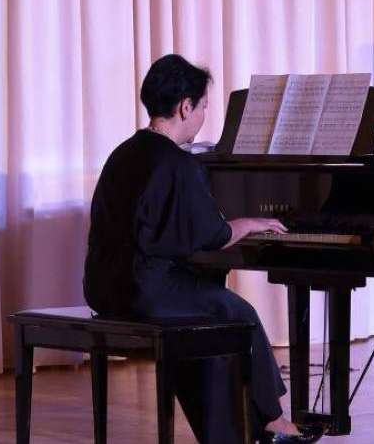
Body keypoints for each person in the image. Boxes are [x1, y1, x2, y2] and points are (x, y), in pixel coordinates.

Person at [83, 54, 321, 444]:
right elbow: (213, 235)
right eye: (204, 107)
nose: (204, 116)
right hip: (145, 292)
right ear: (185, 106)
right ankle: (275, 424)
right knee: (239, 313)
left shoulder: (122, 153)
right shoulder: (177, 164)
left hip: (103, 287)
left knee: (210, 309)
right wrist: (249, 223)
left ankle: (228, 433)